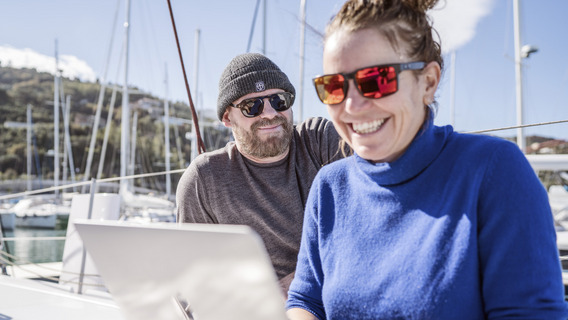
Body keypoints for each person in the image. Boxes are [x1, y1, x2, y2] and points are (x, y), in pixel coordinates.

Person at [286, 0, 568, 319]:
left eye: (376, 80)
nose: (351, 105)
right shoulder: (330, 186)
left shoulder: (493, 170)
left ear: (428, 82)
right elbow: (306, 299)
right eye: (333, 86)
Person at [176, 53, 345, 294]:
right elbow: (194, 283)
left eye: (279, 101)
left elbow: (375, 219)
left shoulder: (320, 140)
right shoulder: (204, 180)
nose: (268, 113)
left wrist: (300, 283)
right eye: (251, 106)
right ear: (227, 117)